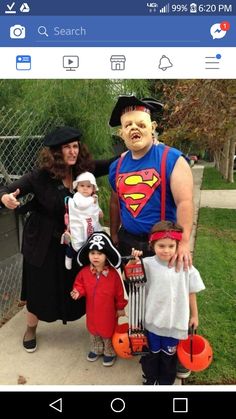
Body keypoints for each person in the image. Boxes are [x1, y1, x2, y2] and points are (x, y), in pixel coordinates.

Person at [0, 126, 118, 353]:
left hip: (74, 243)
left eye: (75, 146)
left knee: (79, 284)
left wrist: (137, 151)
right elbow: (7, 189)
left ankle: (95, 327)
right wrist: (5, 198)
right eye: (67, 148)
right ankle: (31, 329)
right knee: (37, 288)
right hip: (43, 242)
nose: (72, 152)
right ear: (56, 152)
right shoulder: (40, 177)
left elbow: (112, 163)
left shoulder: (84, 172)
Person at [108, 94, 194, 377]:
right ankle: (148, 350)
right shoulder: (116, 166)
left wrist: (183, 244)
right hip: (131, 243)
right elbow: (115, 201)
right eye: (128, 124)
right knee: (139, 301)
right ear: (121, 132)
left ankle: (178, 351)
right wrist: (114, 233)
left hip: (165, 245)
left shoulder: (172, 158)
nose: (135, 129)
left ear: (153, 126)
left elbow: (184, 203)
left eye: (141, 123)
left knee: (173, 299)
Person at [131, 220, 205, 385]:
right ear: (152, 245)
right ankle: (150, 378)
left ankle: (165, 380)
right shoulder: (147, 264)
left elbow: (191, 291)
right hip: (152, 322)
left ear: (178, 245)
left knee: (169, 356)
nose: (166, 250)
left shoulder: (186, 266)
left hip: (174, 323)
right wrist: (132, 262)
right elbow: (129, 279)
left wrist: (194, 316)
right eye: (161, 246)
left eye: (171, 246)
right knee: (151, 355)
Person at [71, 231, 127, 367]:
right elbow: (80, 284)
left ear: (106, 255)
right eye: (92, 253)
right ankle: (97, 349)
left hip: (108, 311)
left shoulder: (113, 275)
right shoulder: (84, 272)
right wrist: (78, 291)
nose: (95, 257)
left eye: (100, 253)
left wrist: (120, 307)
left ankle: (109, 351)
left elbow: (120, 292)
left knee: (107, 331)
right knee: (93, 329)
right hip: (92, 309)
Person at [63, 171, 103, 270]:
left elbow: (95, 208)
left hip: (89, 224)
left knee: (90, 242)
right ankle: (69, 256)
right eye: (82, 185)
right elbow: (82, 205)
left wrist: (99, 211)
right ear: (77, 187)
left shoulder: (93, 198)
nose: (85, 188)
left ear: (93, 188)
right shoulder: (77, 197)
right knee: (74, 243)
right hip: (78, 225)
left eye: (89, 186)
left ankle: (87, 261)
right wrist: (92, 200)